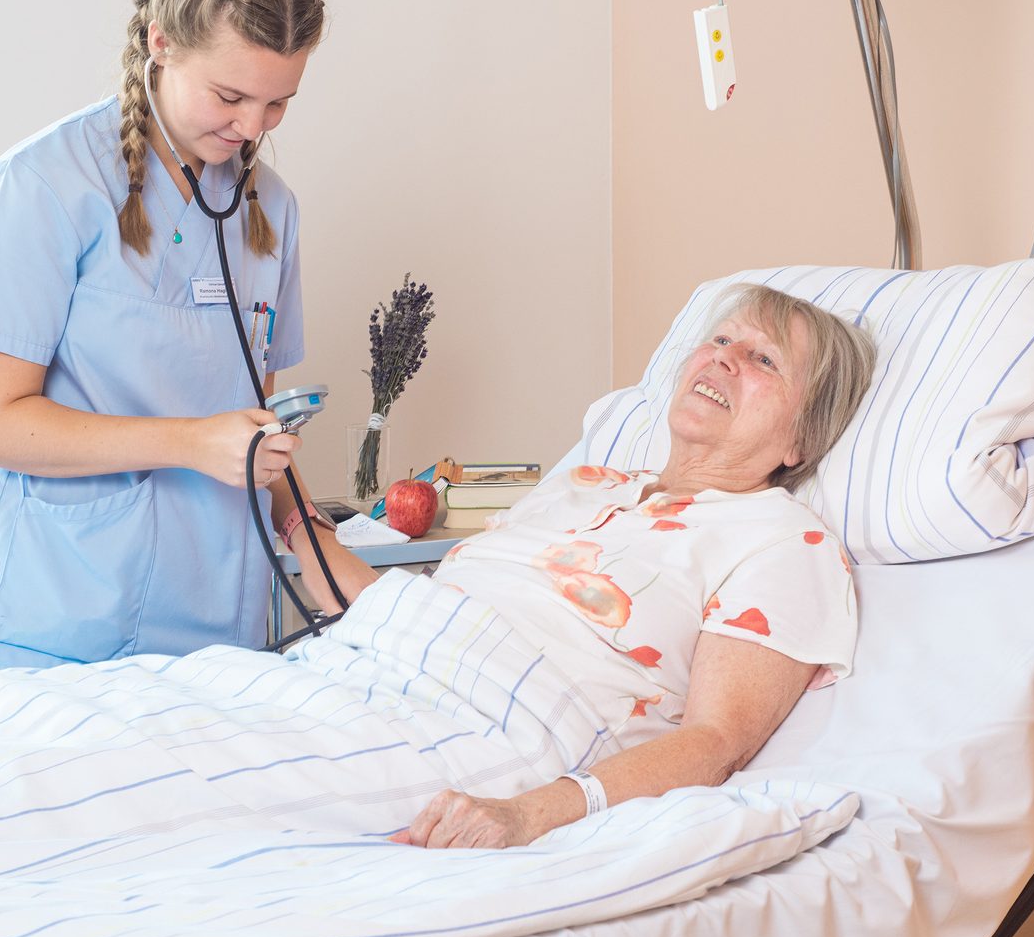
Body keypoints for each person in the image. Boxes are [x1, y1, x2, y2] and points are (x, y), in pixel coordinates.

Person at [279, 283, 877, 848]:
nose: (725, 359)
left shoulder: (782, 540)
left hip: (487, 726)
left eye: (764, 360)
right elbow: (397, 613)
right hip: (350, 674)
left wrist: (525, 814)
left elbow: (715, 742)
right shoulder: (583, 485)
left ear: (803, 436)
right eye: (720, 339)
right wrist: (296, 511)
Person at [0, 0, 326, 697]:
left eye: (278, 102)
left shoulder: (270, 213)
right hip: (50, 637)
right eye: (230, 96)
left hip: (216, 645)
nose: (252, 128)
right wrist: (189, 443)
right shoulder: (43, 189)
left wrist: (327, 558)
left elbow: (258, 435)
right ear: (162, 42)